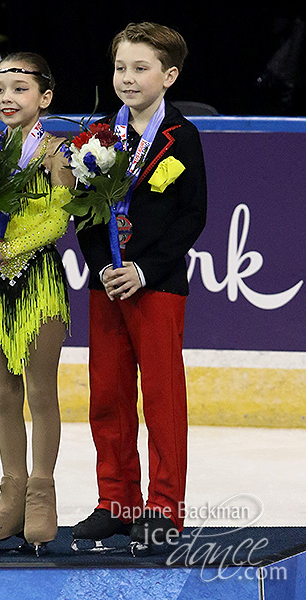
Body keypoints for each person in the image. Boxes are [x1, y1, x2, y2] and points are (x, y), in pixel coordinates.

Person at [72, 22, 207, 550]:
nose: (127, 78)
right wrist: (104, 266)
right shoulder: (98, 136)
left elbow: (192, 217)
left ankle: (164, 507)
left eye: (140, 68)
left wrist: (144, 270)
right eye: (120, 68)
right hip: (106, 285)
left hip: (157, 285)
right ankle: (117, 501)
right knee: (107, 396)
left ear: (169, 76)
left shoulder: (182, 136)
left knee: (162, 397)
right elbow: (84, 213)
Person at [0, 52, 74, 553]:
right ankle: (11, 494)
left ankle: (41, 493)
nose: (8, 98)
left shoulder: (56, 153)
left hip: (38, 281)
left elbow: (58, 219)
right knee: (4, 392)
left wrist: (12, 246)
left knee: (39, 389)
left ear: (44, 98)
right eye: (0, 88)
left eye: (20, 89)